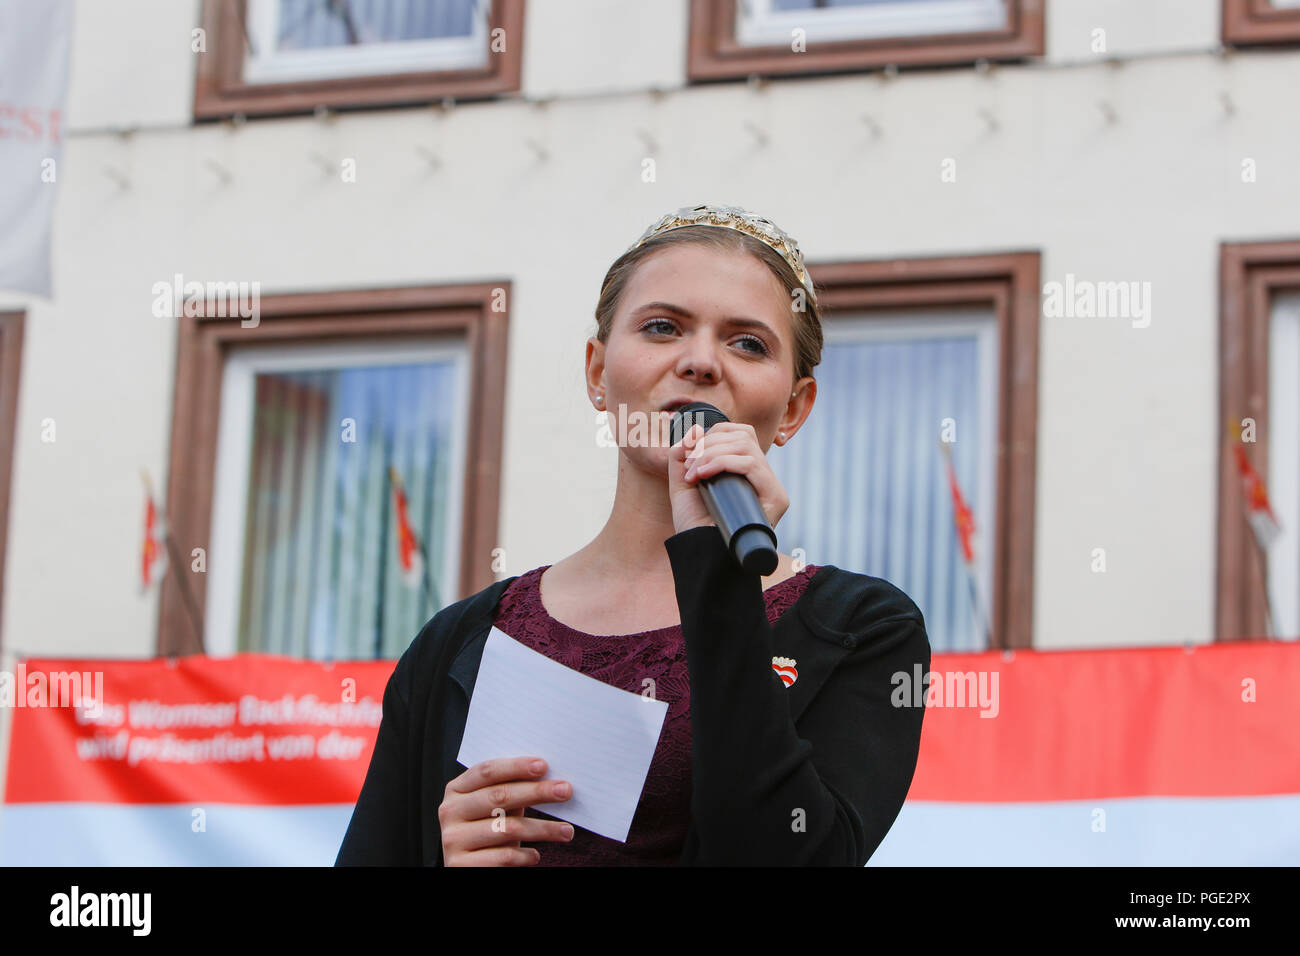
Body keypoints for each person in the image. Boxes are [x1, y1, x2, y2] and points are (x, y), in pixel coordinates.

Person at [335, 203, 931, 866]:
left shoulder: (861, 629)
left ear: (793, 408)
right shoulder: (459, 641)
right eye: (662, 327)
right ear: (597, 372)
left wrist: (721, 574)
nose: (700, 362)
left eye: (747, 343)